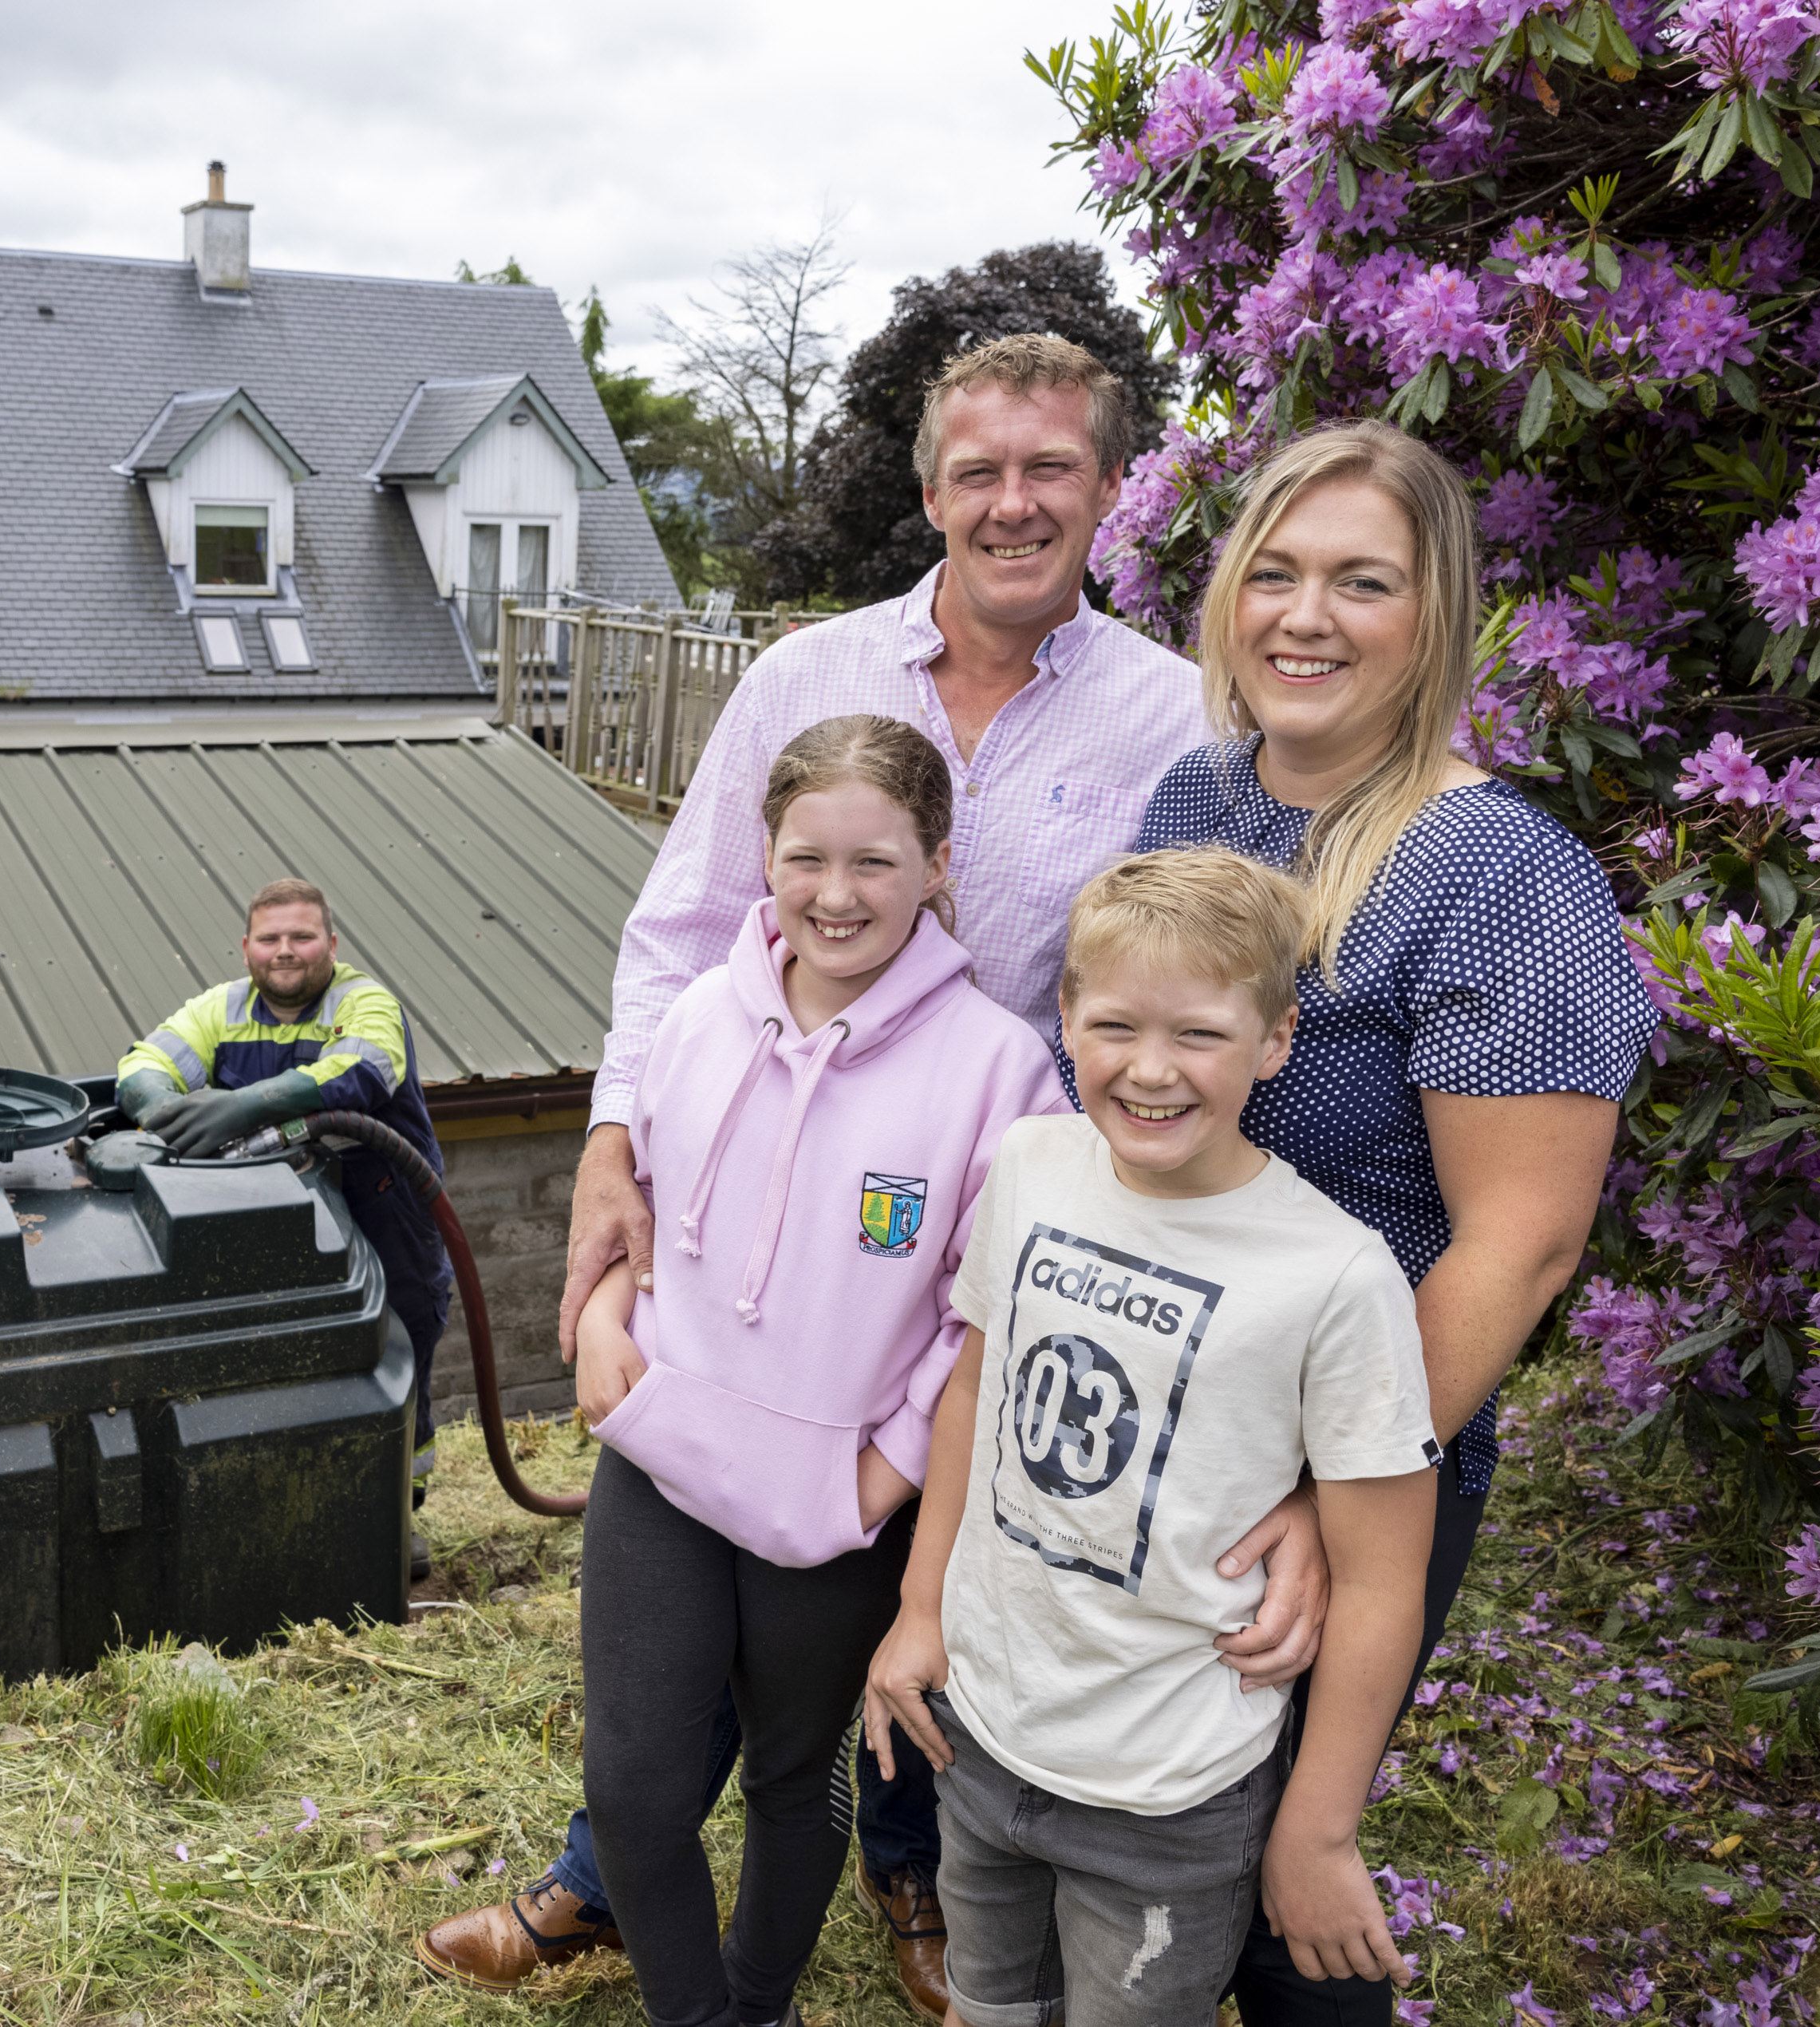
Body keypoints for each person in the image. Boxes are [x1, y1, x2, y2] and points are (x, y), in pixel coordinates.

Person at [422, 336, 1333, 2021]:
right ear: (930, 491)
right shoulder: (806, 677)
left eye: (1051, 468)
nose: (1013, 502)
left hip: (1012, 1245)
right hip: (777, 1235)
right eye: (978, 470)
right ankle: (614, 1870)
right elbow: (683, 932)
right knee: (690, 1611)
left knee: (935, 1576)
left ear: (1110, 492)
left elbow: (1214, 967)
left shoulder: (1172, 720)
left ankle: (916, 1863)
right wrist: (615, 1144)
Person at [1116, 420, 1659, 2018]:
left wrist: (1335, 1484)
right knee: (1151, 1832)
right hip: (1173, 1395)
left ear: (1435, 618)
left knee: (1290, 1871)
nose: (1304, 616)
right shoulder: (1201, 789)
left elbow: (1524, 1241)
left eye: (1363, 581)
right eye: (1272, 573)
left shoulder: (1496, 868)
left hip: (1356, 1433)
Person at [864, 847, 1443, 2022]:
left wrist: (1319, 1830)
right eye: (1116, 1024)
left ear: (1276, 1040)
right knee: (989, 2007)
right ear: (1065, 1014)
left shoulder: (1336, 1274)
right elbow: (976, 1391)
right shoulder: (1031, 1164)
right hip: (982, 1735)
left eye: (1201, 1036)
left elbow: (1384, 1579)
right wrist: (921, 1613)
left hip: (1169, 1790)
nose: (1150, 1070)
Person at [572, 716, 1066, 2027]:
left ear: (939, 865)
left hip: (831, 1505)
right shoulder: (695, 1022)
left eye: (876, 863)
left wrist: (888, 1466)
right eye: (807, 859)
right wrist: (606, 1324)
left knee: (795, 1781)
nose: (836, 897)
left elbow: (987, 1321)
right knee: (632, 1789)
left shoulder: (1003, 1074)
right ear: (767, 859)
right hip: (665, 1453)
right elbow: (644, 1206)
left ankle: (758, 2000)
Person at [114, 877, 452, 1567]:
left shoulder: (363, 1001)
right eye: (270, 939)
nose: (285, 952)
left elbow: (368, 1066)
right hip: (281, 1207)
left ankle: (396, 1517)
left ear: (330, 944)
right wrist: (156, 1105)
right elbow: (145, 1061)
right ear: (246, 948)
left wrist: (251, 1103)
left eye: (302, 937)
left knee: (397, 1352)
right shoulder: (224, 1008)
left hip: (383, 1201)